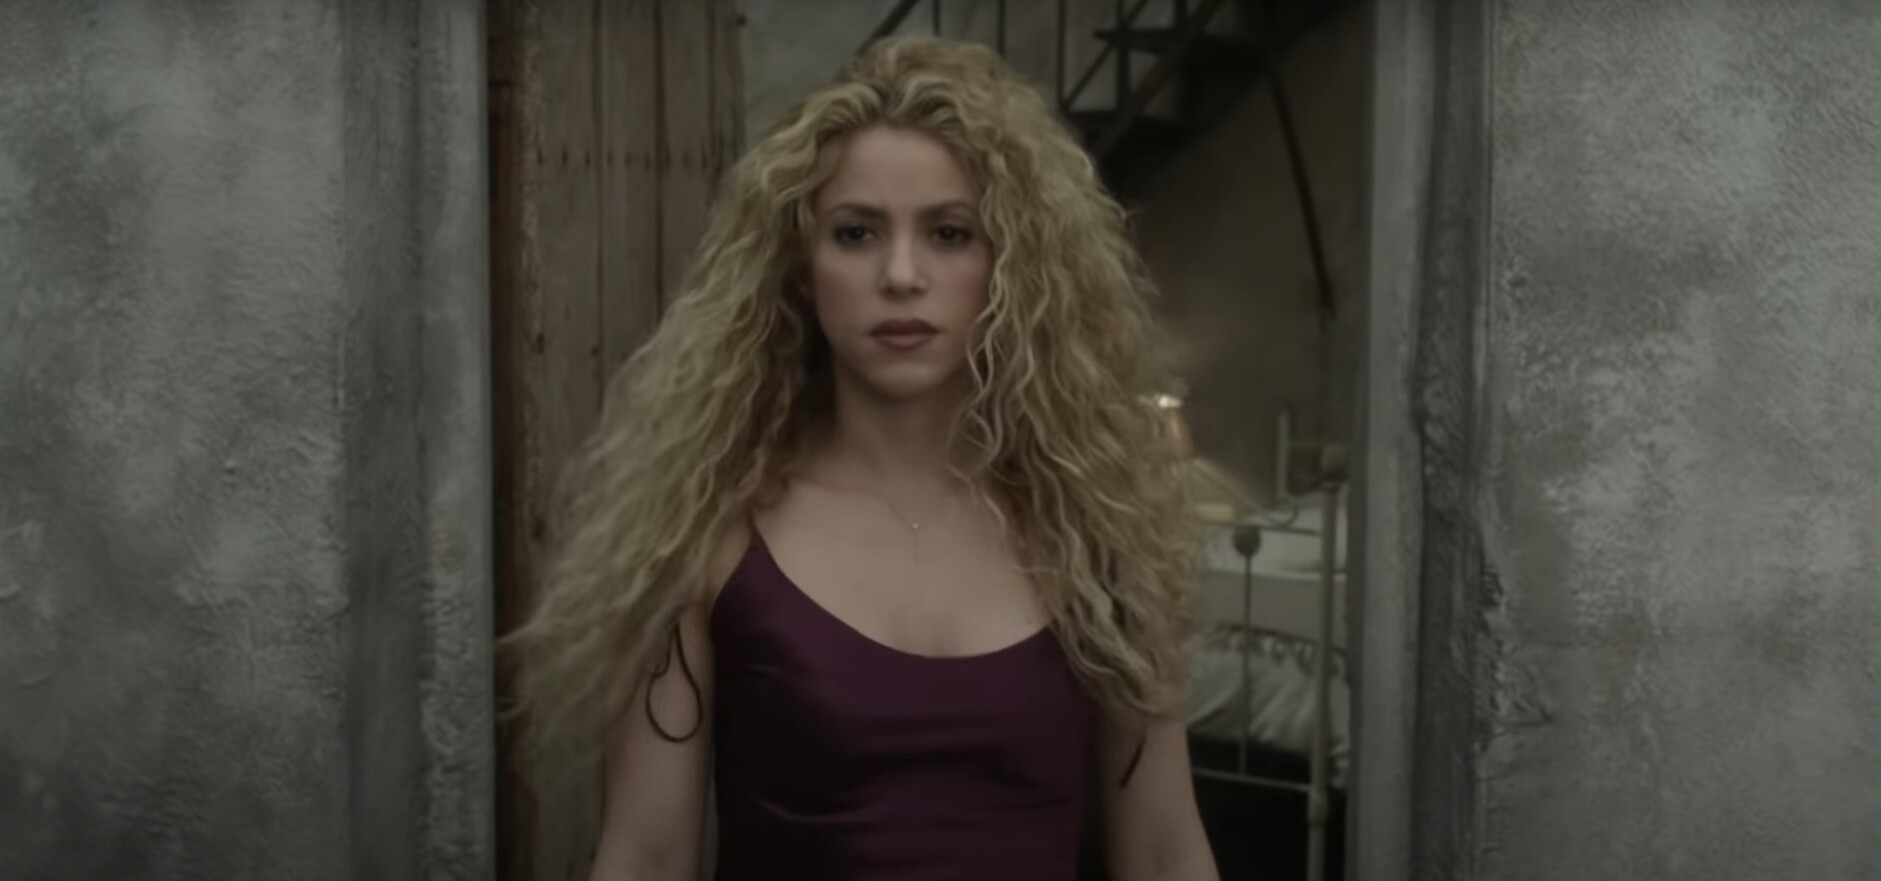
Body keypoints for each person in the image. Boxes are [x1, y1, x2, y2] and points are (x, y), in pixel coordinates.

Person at [507, 35, 1219, 881]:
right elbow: (647, 856)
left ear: (1011, 264)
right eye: (855, 233)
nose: (901, 274)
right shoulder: (705, 536)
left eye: (949, 233)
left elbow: (1166, 851)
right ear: (799, 268)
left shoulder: (1100, 531)